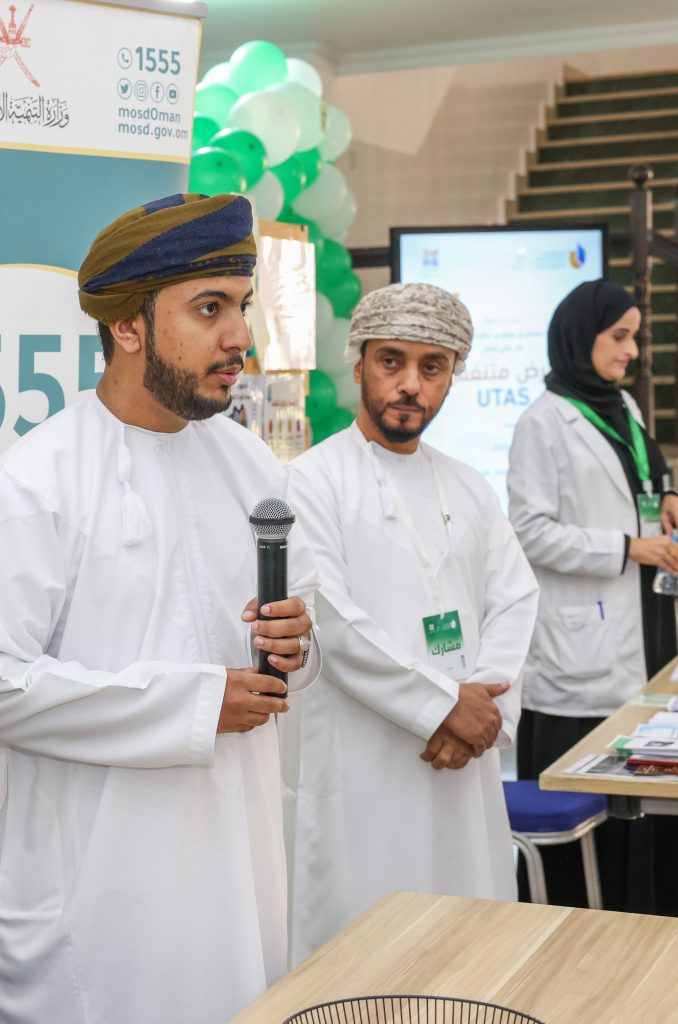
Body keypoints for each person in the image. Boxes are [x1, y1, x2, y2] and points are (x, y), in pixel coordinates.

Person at [0, 193, 321, 1024]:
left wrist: (300, 641)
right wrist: (194, 703)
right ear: (127, 326)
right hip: (98, 894)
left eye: (243, 307)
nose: (240, 337)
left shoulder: (251, 466)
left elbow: (293, 631)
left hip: (237, 865)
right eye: (210, 309)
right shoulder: (33, 485)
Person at [284, 283, 541, 964]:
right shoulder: (312, 480)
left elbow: (515, 596)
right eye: (391, 361)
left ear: (452, 376)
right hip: (364, 756)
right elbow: (327, 617)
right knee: (366, 955)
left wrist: (483, 706)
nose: (410, 385)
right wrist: (442, 705)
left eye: (433, 367)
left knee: (466, 943)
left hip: (463, 757)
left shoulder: (467, 485)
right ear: (359, 363)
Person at [507, 279, 678, 916]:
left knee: (651, 789)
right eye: (619, 336)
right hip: (581, 651)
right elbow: (530, 532)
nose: (633, 350)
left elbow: (640, 479)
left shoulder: (624, 407)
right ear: (579, 337)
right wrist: (627, 548)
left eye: (635, 337)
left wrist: (669, 499)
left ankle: (657, 918)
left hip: (644, 625)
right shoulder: (543, 423)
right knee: (599, 808)